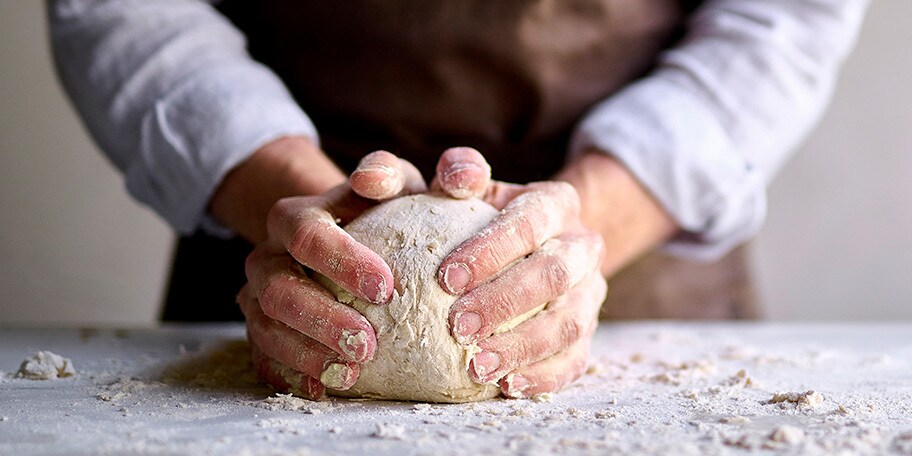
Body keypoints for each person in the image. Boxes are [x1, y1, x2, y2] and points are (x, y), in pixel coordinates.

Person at [49, 0, 869, 399]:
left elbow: (787, 19)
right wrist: (304, 208)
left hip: (635, 250)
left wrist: (582, 221)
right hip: (282, 264)